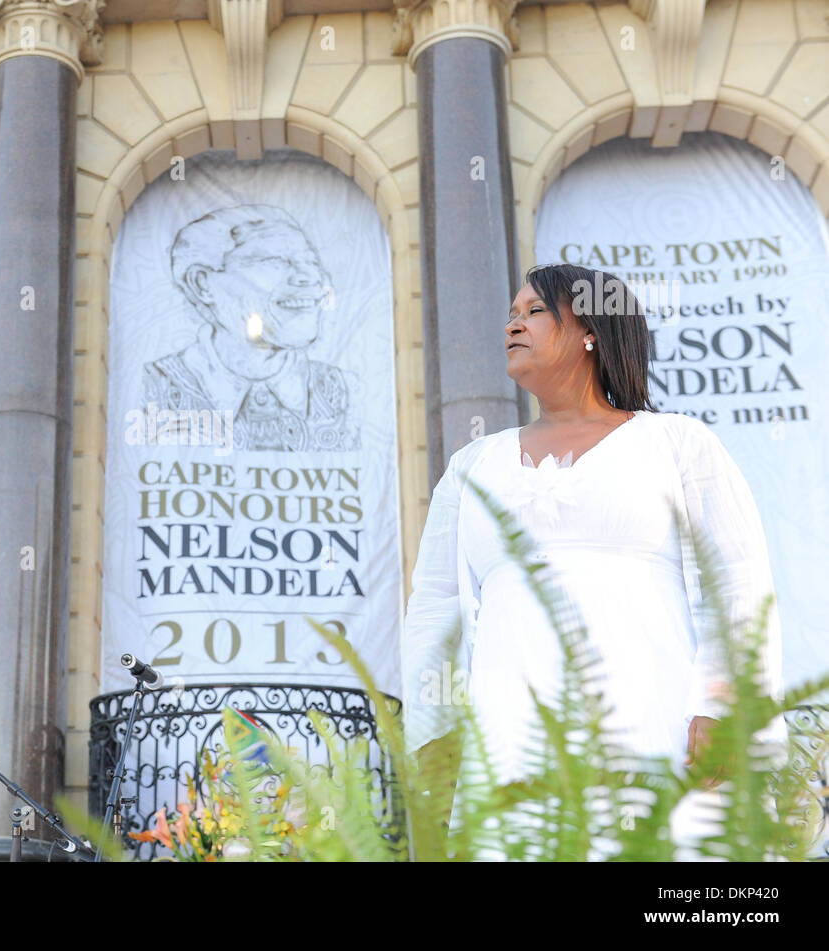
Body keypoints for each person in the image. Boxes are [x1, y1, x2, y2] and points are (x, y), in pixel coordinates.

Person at [399, 263, 785, 852]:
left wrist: (719, 706)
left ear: (590, 331)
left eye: (533, 312)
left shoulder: (676, 444)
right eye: (510, 315)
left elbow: (736, 581)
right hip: (509, 737)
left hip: (654, 721)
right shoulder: (473, 465)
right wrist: (434, 733)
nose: (512, 326)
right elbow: (436, 608)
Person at [143, 204, 359, 452]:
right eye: (275, 260)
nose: (310, 277)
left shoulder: (348, 393)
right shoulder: (151, 390)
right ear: (202, 284)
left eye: (311, 262)